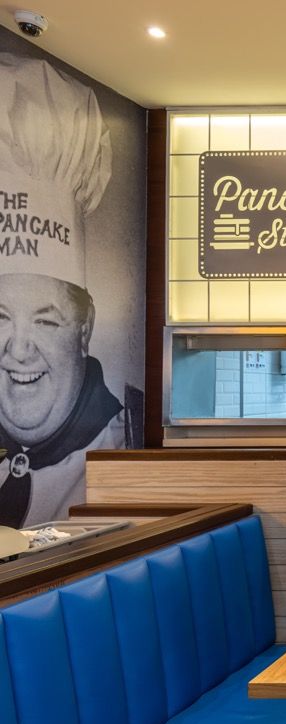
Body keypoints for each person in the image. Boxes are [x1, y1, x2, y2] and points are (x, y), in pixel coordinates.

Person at [0, 53, 125, 527]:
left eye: (46, 319)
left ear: (84, 328)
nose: (19, 348)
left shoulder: (119, 451)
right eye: (0, 316)